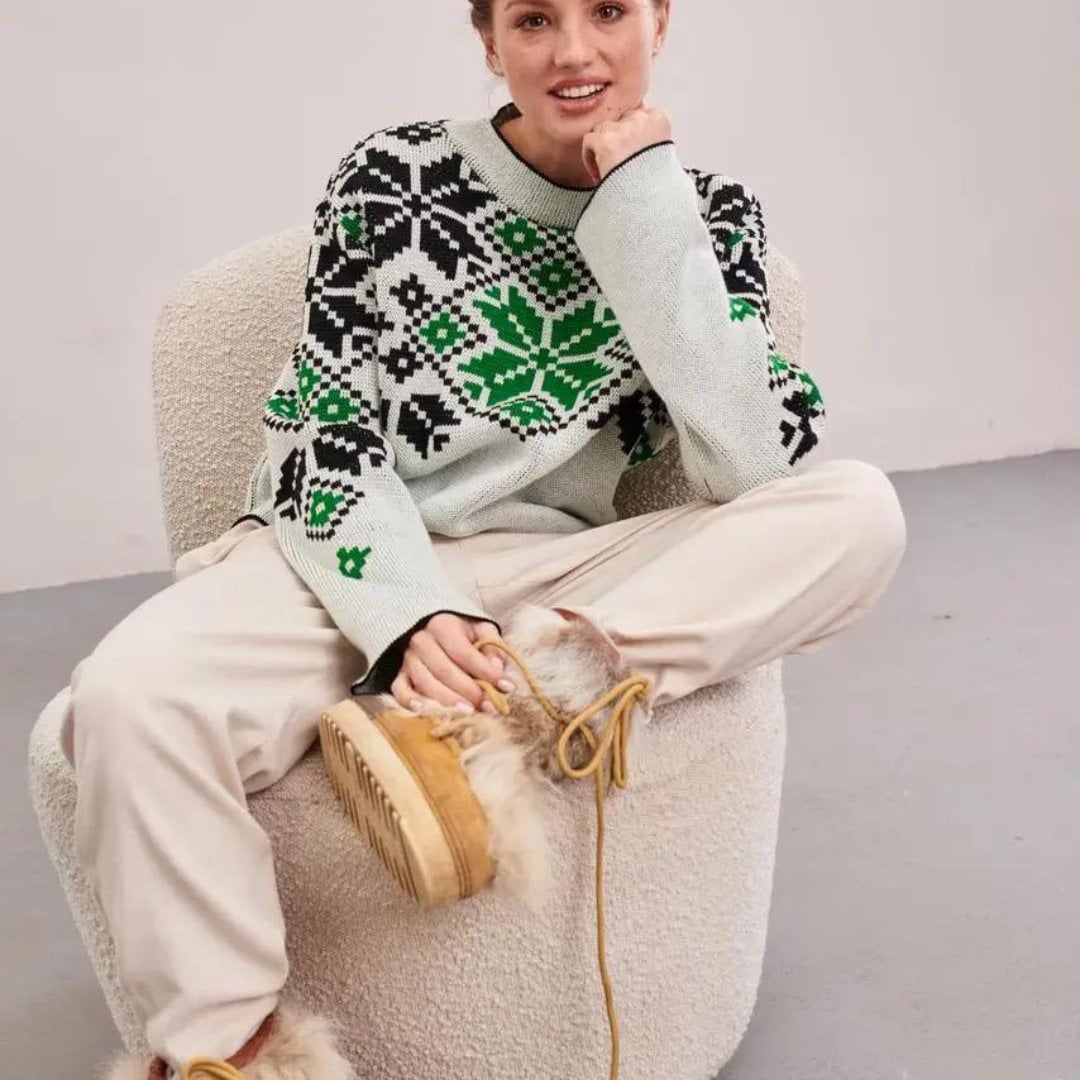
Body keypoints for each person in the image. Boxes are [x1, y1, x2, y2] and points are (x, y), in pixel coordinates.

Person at [54, 1, 907, 1077]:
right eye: (535, 19)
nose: (575, 52)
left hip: (552, 574)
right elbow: (323, 436)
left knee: (857, 513)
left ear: (660, 23)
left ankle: (518, 702)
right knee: (127, 699)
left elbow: (746, 459)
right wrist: (410, 615)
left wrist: (640, 197)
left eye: (607, 12)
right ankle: (233, 1054)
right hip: (349, 551)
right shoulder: (393, 176)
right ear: (489, 40)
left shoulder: (708, 212)